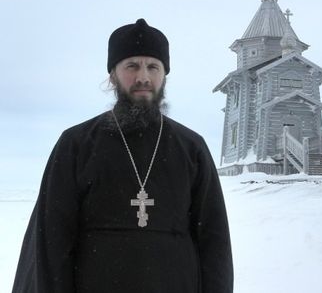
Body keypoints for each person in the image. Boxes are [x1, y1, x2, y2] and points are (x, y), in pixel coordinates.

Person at [12, 18, 234, 293]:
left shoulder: (192, 148)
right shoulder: (76, 145)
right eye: (132, 66)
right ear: (113, 75)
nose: (143, 77)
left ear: (164, 74)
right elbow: (52, 242)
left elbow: (214, 243)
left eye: (153, 67)